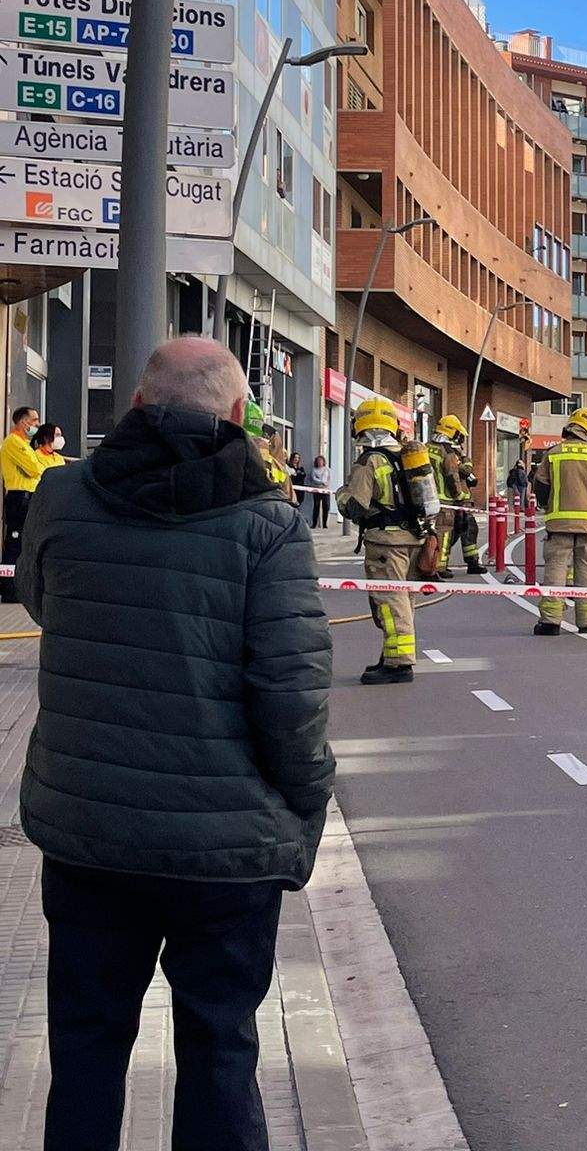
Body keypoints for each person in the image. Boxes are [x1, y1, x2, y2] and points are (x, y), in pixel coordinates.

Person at [18, 335, 332, 1151]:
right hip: (225, 851)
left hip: (92, 834)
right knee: (220, 1048)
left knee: (85, 1046)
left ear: (134, 406)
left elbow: (44, 606)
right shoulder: (270, 523)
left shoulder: (61, 494)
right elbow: (291, 699)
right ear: (239, 416)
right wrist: (301, 816)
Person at [337, 397, 431, 685]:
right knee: (404, 602)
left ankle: (399, 664)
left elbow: (355, 506)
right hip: (412, 540)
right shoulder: (407, 455)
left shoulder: (369, 460)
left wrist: (341, 495)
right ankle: (390, 655)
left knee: (390, 603)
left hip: (385, 545)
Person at [530, 406, 587, 636]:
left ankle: (551, 622)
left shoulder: (553, 453)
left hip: (558, 524)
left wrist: (546, 505)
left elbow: (540, 486)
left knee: (556, 570)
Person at [429, 415, 485, 576]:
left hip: (431, 498)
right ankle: (439, 566)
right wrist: (459, 495)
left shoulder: (427, 447)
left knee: (464, 528)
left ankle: (471, 561)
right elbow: (454, 475)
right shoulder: (447, 451)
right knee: (446, 532)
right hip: (448, 500)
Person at [1, 404, 44, 600]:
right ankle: (9, 589)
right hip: (19, 497)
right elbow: (35, 468)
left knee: (25, 543)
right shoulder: (14, 443)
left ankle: (18, 587)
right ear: (22, 422)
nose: (37, 424)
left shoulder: (25, 444)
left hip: (28, 497)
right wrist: (36, 462)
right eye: (34, 420)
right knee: (15, 543)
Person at [306, 455, 332, 529]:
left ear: (323, 462)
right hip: (317, 490)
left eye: (321, 461)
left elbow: (329, 478)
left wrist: (326, 483)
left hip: (325, 490)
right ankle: (314, 523)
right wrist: (321, 482)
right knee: (316, 506)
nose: (320, 462)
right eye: (318, 461)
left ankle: (325, 524)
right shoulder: (314, 470)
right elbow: (314, 479)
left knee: (325, 507)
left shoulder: (327, 469)